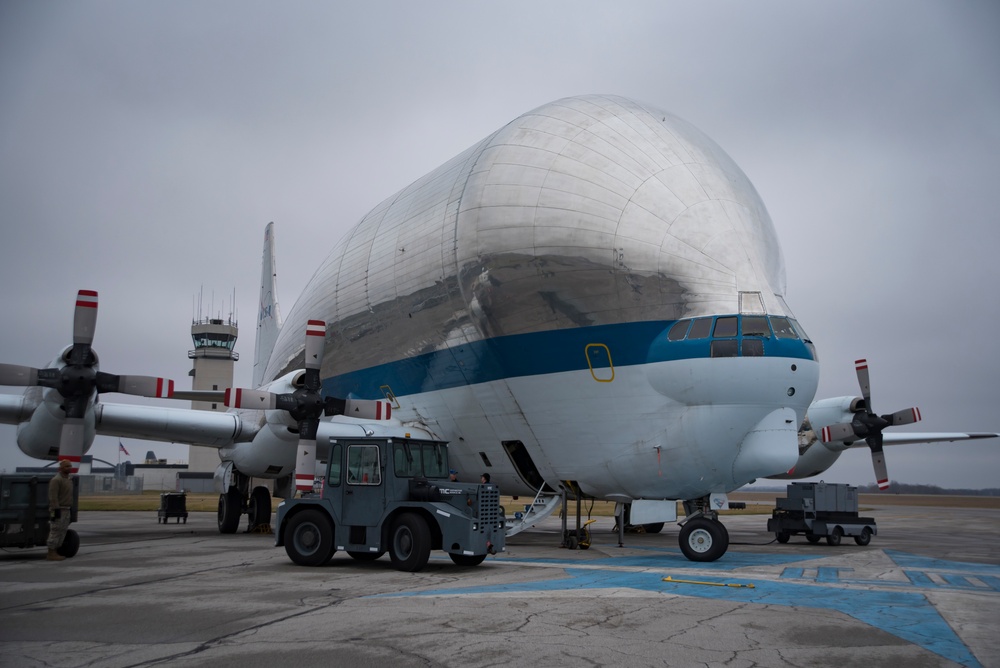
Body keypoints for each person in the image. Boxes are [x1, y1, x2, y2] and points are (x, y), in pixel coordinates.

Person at [47, 460, 74, 561]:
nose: (69, 468)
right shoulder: (56, 480)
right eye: (67, 466)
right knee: (56, 530)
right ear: (61, 468)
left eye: (70, 466)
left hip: (66, 509)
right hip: (59, 509)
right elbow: (53, 496)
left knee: (63, 530)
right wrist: (55, 509)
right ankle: (51, 552)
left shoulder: (69, 479)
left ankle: (56, 550)